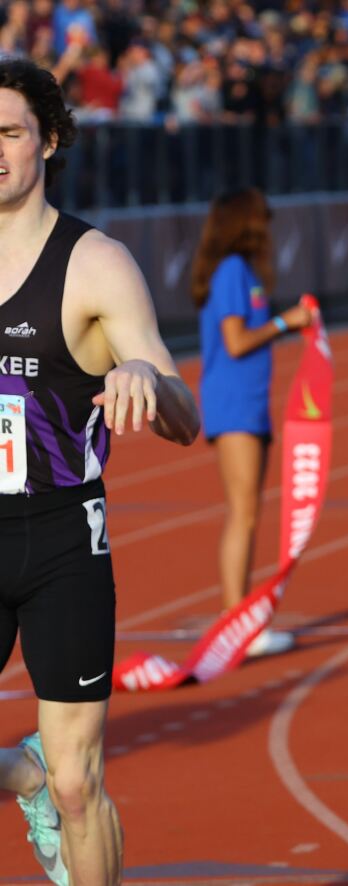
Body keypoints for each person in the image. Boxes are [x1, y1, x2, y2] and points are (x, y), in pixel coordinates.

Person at [0, 58, 199, 885]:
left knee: (82, 781)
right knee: (53, 772)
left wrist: (147, 382)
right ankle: (24, 773)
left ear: (47, 140)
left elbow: (188, 417)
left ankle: (51, 781)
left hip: (59, 540)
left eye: (8, 133)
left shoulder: (94, 263)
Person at [192, 187, 312, 658]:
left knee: (248, 512)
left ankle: (237, 619)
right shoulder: (231, 273)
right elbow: (237, 341)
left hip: (248, 402)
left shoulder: (240, 272)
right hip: (233, 403)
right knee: (241, 512)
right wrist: (288, 322)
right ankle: (235, 621)